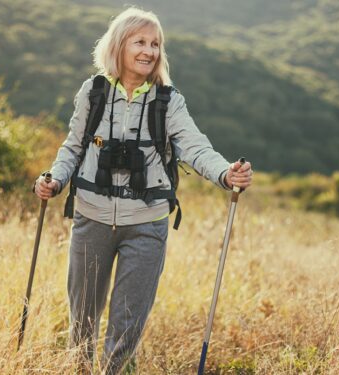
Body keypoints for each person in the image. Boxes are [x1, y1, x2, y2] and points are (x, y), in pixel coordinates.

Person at [33, 7, 253, 374]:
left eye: (155, 43)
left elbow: (195, 146)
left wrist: (226, 174)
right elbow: (73, 147)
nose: (149, 51)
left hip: (147, 225)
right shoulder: (94, 92)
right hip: (92, 218)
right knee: (82, 321)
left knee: (127, 324)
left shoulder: (168, 101)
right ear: (119, 46)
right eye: (140, 42)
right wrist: (53, 180)